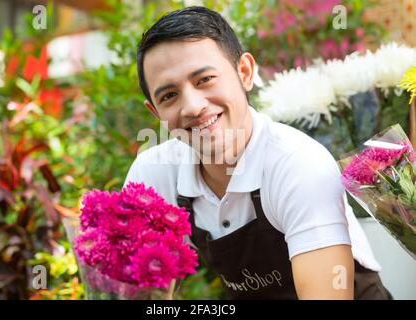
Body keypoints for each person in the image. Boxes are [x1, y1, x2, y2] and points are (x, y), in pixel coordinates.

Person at [124, 6, 392, 299]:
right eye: (169, 95)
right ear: (155, 111)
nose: (192, 106)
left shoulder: (297, 164)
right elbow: (141, 293)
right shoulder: (153, 175)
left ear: (245, 73)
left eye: (204, 80)